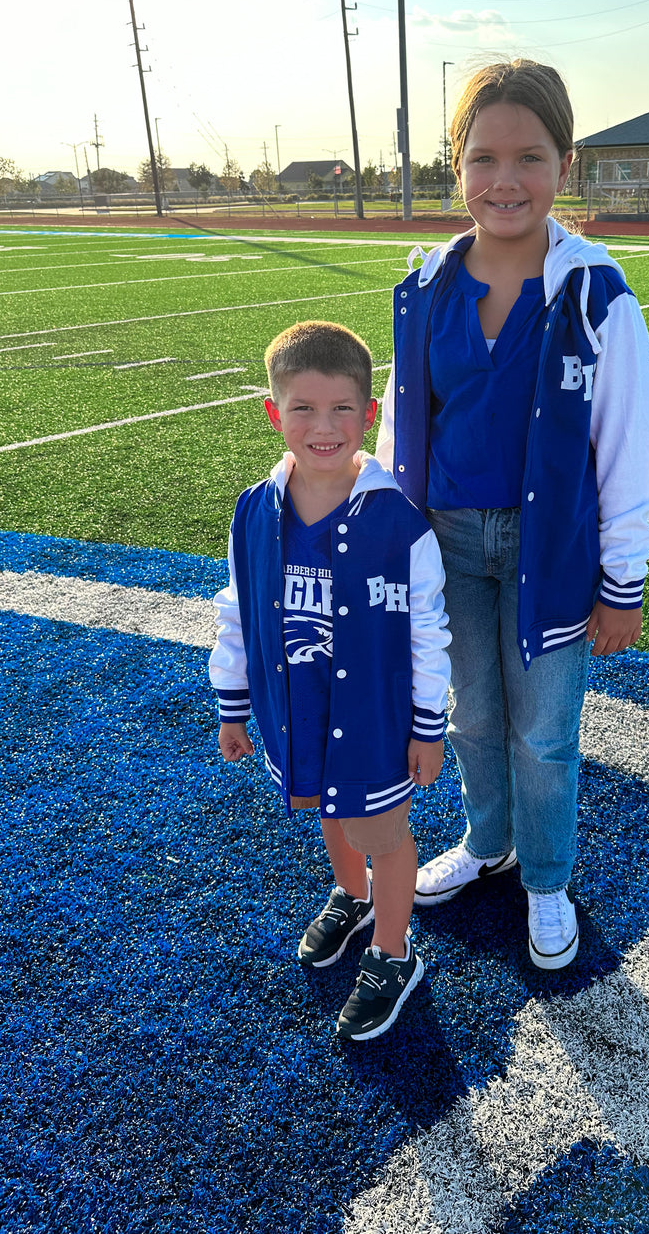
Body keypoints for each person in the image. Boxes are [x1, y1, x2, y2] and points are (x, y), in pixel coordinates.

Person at [376, 59, 649, 970]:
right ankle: (488, 840)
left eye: (530, 157)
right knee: (469, 714)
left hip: (553, 552)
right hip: (449, 543)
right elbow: (400, 429)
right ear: (456, 165)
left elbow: (631, 444)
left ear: (565, 164)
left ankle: (546, 877)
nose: (505, 180)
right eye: (484, 158)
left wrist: (623, 578)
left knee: (544, 729)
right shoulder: (427, 286)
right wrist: (387, 543)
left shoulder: (596, 292)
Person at [210, 321, 451, 1041]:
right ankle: (353, 894)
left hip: (374, 721)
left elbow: (428, 631)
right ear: (273, 412)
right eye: (304, 409)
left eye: (342, 408)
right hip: (296, 710)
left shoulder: (399, 523)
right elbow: (236, 608)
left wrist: (428, 726)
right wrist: (233, 706)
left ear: (369, 414)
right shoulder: (254, 510)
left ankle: (394, 951)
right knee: (323, 806)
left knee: (383, 830)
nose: (324, 427)